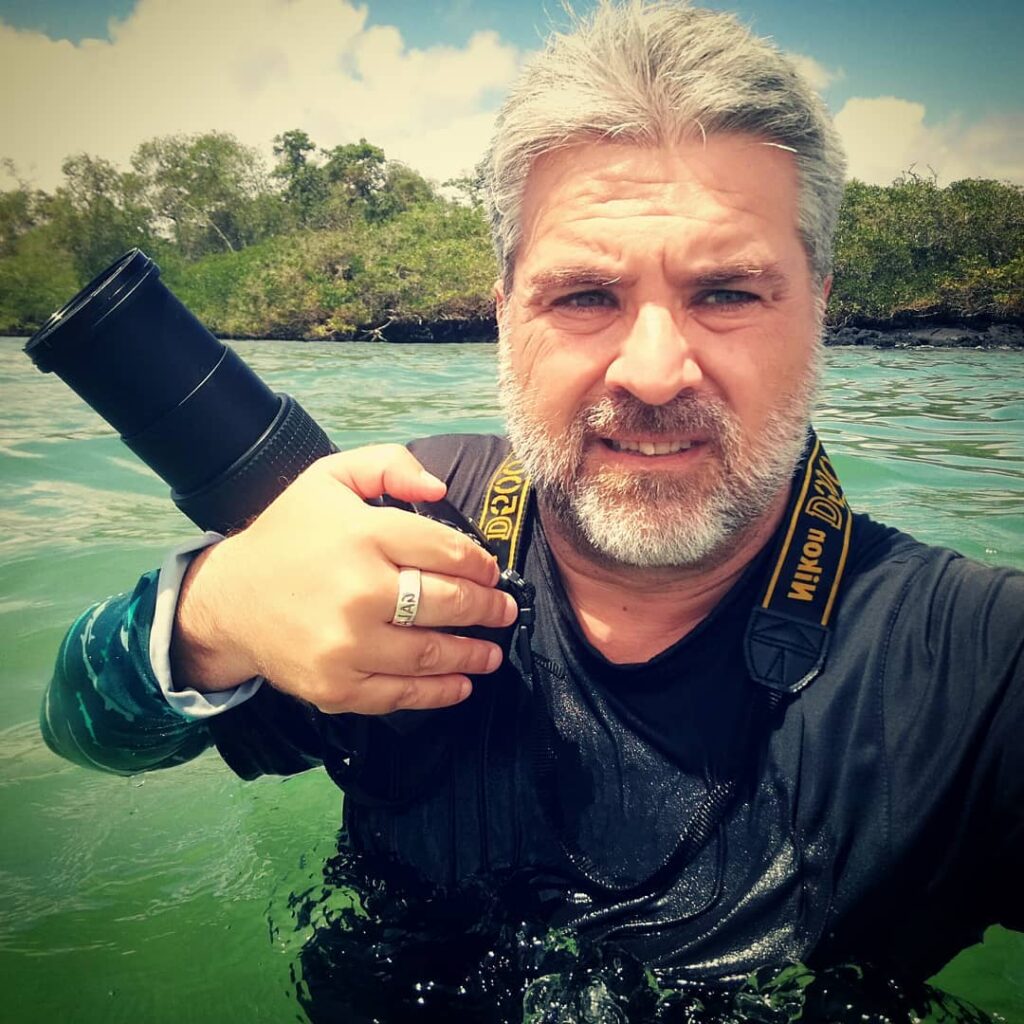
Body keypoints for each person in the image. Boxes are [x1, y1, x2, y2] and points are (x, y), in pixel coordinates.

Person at [41, 0, 1022, 1009]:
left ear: (817, 303)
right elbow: (81, 728)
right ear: (506, 311)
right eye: (585, 296)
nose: (651, 370)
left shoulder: (978, 668)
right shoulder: (394, 531)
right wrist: (218, 611)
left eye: (725, 292)